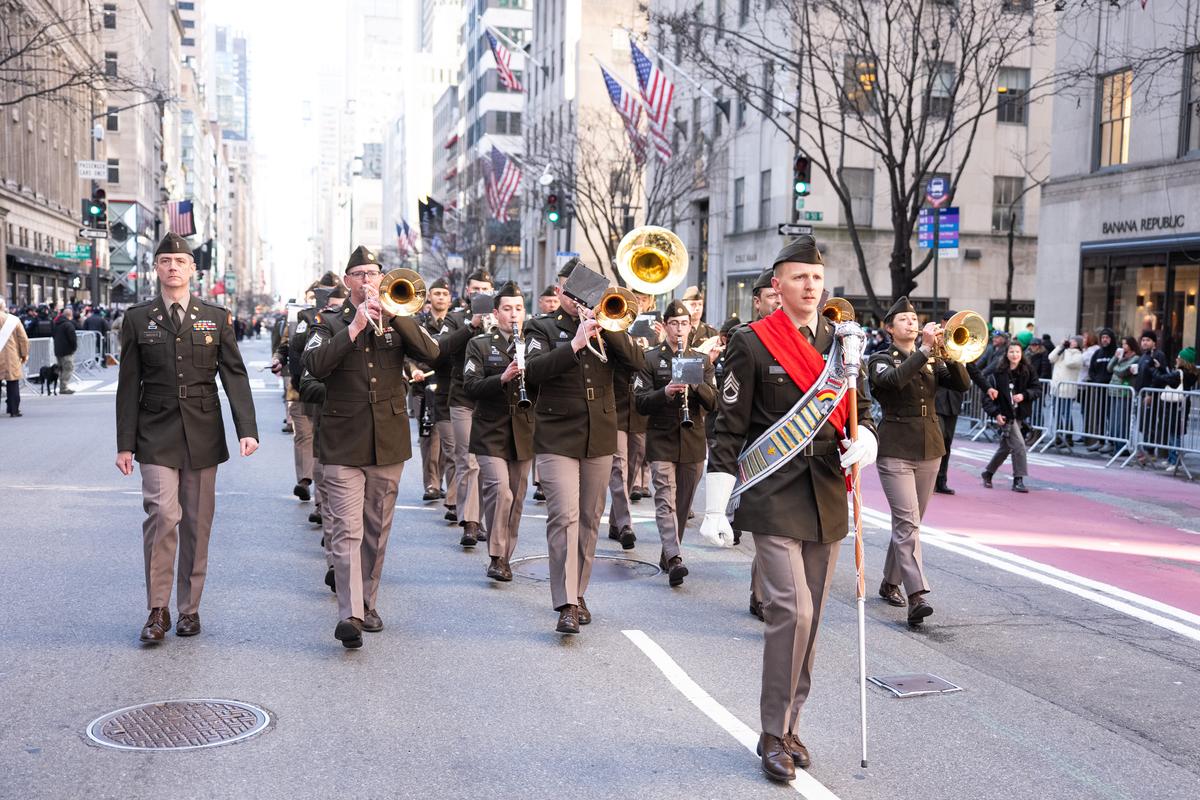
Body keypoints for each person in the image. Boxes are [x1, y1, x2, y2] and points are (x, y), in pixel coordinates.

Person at [701, 236, 877, 782]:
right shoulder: (753, 342)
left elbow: (863, 405)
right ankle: (772, 732)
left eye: (817, 278)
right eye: (800, 277)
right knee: (792, 611)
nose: (810, 286)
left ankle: (791, 723)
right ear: (777, 285)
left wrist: (868, 436)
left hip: (826, 493)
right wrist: (714, 507)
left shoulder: (842, 344)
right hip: (773, 491)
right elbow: (728, 426)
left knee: (814, 618)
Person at [114, 232, 260, 642]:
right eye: (165, 261)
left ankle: (189, 609)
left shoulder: (215, 316)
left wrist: (247, 429)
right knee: (163, 515)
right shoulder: (138, 318)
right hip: (155, 430)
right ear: (156, 269)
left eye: (180, 261)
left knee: (196, 523)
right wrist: (125, 443)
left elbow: (234, 375)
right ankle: (157, 610)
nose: (173, 267)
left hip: (202, 431)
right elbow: (128, 383)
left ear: (193, 269)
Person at [303, 245, 440, 648]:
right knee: (348, 530)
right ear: (347, 281)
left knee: (376, 530)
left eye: (373, 273)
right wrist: (354, 328)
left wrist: (396, 316)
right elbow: (314, 366)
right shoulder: (328, 322)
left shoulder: (399, 317)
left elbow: (432, 354)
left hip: (387, 441)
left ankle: (367, 601)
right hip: (342, 441)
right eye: (360, 274)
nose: (367, 280)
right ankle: (350, 614)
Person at [523, 258, 646, 634]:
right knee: (564, 516)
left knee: (590, 519)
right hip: (557, 434)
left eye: (588, 294)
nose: (579, 301)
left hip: (599, 433)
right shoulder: (541, 327)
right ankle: (566, 603)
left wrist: (608, 327)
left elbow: (638, 363)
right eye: (573, 293)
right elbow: (533, 371)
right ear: (560, 292)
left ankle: (578, 590)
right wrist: (576, 343)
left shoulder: (609, 325)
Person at [869, 297, 970, 623]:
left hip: (929, 448)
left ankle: (890, 582)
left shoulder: (931, 357)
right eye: (904, 319)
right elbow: (892, 381)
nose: (911, 323)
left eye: (914, 319)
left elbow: (962, 384)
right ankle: (916, 595)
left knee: (909, 523)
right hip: (896, 448)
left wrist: (950, 353)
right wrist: (924, 350)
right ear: (889, 328)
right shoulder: (881, 358)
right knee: (908, 522)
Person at [634, 299, 716, 587]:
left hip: (693, 439)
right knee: (665, 499)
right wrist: (666, 392)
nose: (679, 329)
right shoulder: (650, 359)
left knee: (683, 503)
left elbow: (714, 402)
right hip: (661, 438)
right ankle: (675, 557)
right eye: (674, 324)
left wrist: (695, 384)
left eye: (684, 324)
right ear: (665, 326)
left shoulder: (702, 360)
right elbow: (640, 402)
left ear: (690, 327)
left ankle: (669, 552)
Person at [462, 282, 535, 577]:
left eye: (518, 308)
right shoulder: (480, 344)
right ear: (496, 312)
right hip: (490, 429)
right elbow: (470, 386)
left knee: (516, 498)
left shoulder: (535, 344)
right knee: (500, 491)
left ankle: (505, 557)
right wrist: (502, 378)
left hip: (524, 430)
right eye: (507, 309)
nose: (513, 315)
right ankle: (495, 554)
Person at [437, 270, 494, 545]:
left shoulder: (502, 315)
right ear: (468, 291)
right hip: (462, 397)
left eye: (485, 289)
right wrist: (471, 326)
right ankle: (470, 523)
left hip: (492, 398)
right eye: (475, 289)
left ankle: (479, 516)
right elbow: (441, 348)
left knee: (486, 462)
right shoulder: (456, 318)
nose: (480, 293)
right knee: (468, 459)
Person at [981, 342, 1038, 492]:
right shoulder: (997, 372)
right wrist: (995, 413)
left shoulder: (1027, 370)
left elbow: (1037, 389)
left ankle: (988, 473)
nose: (1015, 355)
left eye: (1017, 352)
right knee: (1019, 445)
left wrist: (1024, 395)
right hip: (1005, 415)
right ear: (1006, 354)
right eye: (1011, 352)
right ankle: (1018, 479)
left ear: (1022, 353)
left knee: (1006, 447)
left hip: (1019, 414)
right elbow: (987, 397)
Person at [422, 278, 457, 508]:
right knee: (429, 437)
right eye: (436, 293)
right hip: (423, 387)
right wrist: (414, 370)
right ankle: (432, 484)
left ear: (450, 299)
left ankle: (447, 485)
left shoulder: (456, 323)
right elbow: (413, 353)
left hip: (445, 385)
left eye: (444, 294)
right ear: (429, 297)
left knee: (448, 439)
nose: (441, 298)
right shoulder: (420, 323)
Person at [933, 310, 968, 495]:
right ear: (943, 322)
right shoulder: (933, 339)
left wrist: (988, 388)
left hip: (953, 400)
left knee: (947, 443)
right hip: (937, 399)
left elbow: (972, 372)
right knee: (937, 441)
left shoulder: (961, 343)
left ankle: (942, 481)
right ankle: (930, 480)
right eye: (949, 322)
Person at [1102, 337, 1141, 455]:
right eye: (1122, 344)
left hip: (1125, 392)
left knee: (1122, 420)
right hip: (1114, 391)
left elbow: (1123, 372)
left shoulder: (1135, 358)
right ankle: (1115, 444)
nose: (1123, 347)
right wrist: (1115, 357)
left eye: (1126, 344)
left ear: (1131, 345)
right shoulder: (1120, 357)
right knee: (1114, 420)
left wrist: (1116, 367)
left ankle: (1122, 446)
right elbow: (1109, 368)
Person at [1160, 347, 1197, 470]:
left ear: (1184, 360)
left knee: (1174, 432)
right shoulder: (1189, 373)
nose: (1176, 359)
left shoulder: (1181, 374)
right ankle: (1171, 458)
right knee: (1173, 432)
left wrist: (1155, 370)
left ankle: (1175, 460)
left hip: (1177, 405)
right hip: (1180, 404)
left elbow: (1163, 378)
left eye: (1179, 357)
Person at [1083, 328, 1117, 450]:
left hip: (1113, 390)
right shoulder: (1097, 353)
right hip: (1099, 389)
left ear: (1111, 339)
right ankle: (1100, 441)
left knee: (1111, 417)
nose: (1104, 340)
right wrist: (1096, 380)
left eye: (1107, 337)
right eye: (1103, 337)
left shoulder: (1116, 352)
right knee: (1100, 415)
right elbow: (1091, 370)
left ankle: (1111, 442)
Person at [1048, 335, 1084, 450]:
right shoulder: (1063, 351)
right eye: (1070, 341)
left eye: (1074, 341)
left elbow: (1069, 363)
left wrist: (1067, 350)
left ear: (1078, 344)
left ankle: (1068, 438)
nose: (1071, 342)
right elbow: (1051, 358)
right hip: (1056, 389)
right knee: (1056, 413)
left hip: (1067, 390)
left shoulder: (1078, 355)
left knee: (1066, 414)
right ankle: (1058, 437)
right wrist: (1060, 347)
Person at [0, 297, 30, 417]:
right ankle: (13, 410)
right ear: (3, 306)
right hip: (10, 356)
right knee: (12, 383)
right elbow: (23, 339)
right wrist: (24, 354)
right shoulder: (13, 320)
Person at [52, 307, 77, 394]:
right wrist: (74, 348)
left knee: (61, 369)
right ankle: (64, 387)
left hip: (58, 350)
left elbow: (53, 335)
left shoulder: (56, 324)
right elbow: (72, 338)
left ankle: (61, 386)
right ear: (70, 315)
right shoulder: (68, 325)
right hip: (67, 350)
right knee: (68, 368)